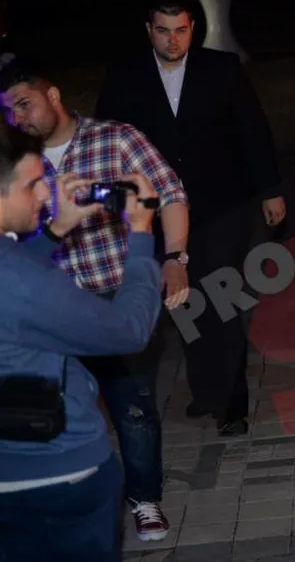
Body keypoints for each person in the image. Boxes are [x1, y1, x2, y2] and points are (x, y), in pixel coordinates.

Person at [1, 58, 189, 541]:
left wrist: (175, 257)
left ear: (54, 95)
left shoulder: (116, 138)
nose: (44, 197)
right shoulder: (14, 159)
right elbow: (129, 330)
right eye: (33, 187)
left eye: (24, 104)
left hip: (111, 290)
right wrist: (141, 232)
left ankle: (145, 497)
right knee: (69, 400)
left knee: (134, 406)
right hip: (56, 477)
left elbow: (170, 193)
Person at [94, 0, 286, 436]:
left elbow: (253, 129)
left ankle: (232, 402)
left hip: (223, 205)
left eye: (180, 30)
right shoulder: (125, 75)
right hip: (157, 211)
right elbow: (107, 141)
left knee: (221, 298)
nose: (172, 40)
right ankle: (205, 387)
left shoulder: (222, 68)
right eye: (163, 31)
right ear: (149, 31)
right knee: (183, 302)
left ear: (192, 29)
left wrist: (271, 191)